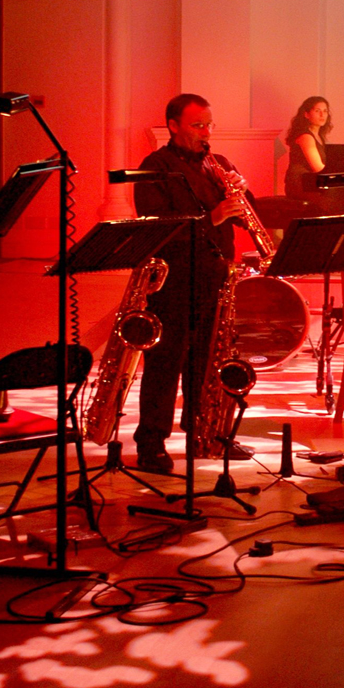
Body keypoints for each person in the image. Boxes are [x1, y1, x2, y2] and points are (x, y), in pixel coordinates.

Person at [130, 93, 256, 474]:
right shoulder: (154, 167)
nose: (206, 133)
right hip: (174, 279)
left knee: (209, 361)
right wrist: (212, 217)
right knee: (165, 363)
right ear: (173, 126)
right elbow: (158, 227)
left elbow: (245, 216)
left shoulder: (219, 164)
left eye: (209, 125)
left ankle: (205, 434)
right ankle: (151, 443)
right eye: (197, 125)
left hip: (215, 275)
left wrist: (241, 193)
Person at [283, 95, 332, 209]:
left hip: (310, 182)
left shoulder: (319, 136)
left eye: (325, 111)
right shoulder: (306, 136)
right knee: (331, 199)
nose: (322, 115)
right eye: (317, 111)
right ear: (306, 114)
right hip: (300, 184)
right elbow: (318, 168)